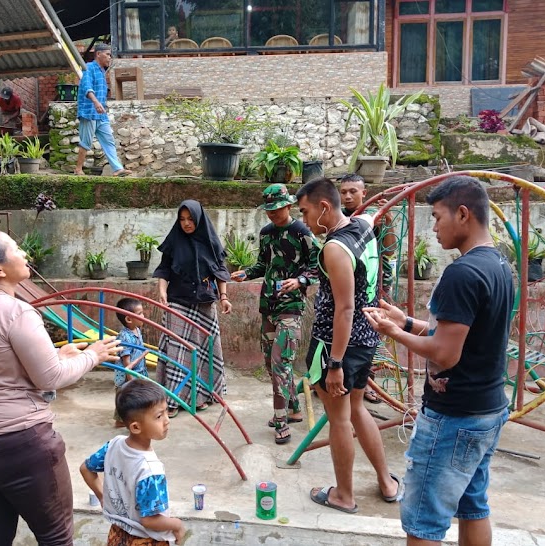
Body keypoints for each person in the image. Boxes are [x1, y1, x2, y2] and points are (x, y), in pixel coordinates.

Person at [363, 175, 514, 545]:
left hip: (454, 417)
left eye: (436, 216)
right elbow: (464, 333)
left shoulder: (460, 273)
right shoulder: (498, 265)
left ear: (463, 214)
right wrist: (408, 321)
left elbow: (446, 354)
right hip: (487, 409)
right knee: (473, 505)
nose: (433, 227)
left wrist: (395, 335)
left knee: (424, 522)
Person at [0, 228, 121, 546]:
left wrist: (58, 354)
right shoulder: (18, 312)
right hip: (16, 444)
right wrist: (92, 356)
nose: (24, 253)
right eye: (15, 249)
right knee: (56, 537)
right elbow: (50, 378)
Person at [295, 178, 400, 514]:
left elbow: (344, 308)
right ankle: (386, 482)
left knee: (339, 418)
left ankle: (344, 494)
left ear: (324, 207)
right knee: (356, 409)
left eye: (306, 212)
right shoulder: (362, 226)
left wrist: (335, 364)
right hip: (366, 338)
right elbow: (375, 218)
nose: (305, 221)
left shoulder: (334, 248)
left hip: (336, 344)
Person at [230, 183, 319, 444]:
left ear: (288, 206)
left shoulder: (302, 232)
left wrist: (300, 281)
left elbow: (318, 264)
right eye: (269, 210)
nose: (273, 214)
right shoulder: (266, 233)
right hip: (268, 305)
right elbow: (262, 264)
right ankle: (293, 408)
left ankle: (281, 421)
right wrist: (246, 272)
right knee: (271, 364)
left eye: (277, 209)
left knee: (281, 362)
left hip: (291, 308)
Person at [80, 380, 186, 545]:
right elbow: (150, 520)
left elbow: (86, 469)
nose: (167, 420)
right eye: (159, 416)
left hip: (117, 533)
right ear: (136, 427)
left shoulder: (114, 445)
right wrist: (177, 525)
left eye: (166, 412)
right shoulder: (150, 470)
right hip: (146, 540)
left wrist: (103, 497)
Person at [153, 200, 232, 418]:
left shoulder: (211, 243)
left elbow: (220, 272)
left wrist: (223, 297)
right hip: (178, 301)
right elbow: (163, 270)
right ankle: (174, 399)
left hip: (205, 304)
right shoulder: (174, 241)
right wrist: (162, 292)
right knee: (178, 352)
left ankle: (202, 396)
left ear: (199, 219)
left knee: (205, 352)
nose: (186, 223)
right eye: (182, 219)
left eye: (190, 219)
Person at [339, 173, 398, 404]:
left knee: (373, 334)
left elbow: (390, 250)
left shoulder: (374, 217)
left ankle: (367, 383)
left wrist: (389, 219)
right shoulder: (340, 217)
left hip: (376, 286)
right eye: (343, 192)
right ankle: (343, 378)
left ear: (364, 193)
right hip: (350, 287)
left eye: (353, 191)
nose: (348, 196)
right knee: (346, 333)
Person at [76, 43, 131, 177]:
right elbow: (86, 87)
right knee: (86, 142)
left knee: (109, 140)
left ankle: (117, 168)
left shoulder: (102, 71)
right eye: (107, 54)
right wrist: (95, 102)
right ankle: (78, 169)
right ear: (98, 54)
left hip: (101, 115)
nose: (109, 57)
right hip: (89, 111)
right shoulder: (88, 68)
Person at [114, 297, 150, 427]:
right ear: (129, 319)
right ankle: (120, 423)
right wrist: (131, 380)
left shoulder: (137, 330)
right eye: (140, 313)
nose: (143, 316)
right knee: (125, 400)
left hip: (139, 371)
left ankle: (135, 419)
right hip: (127, 377)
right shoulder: (125, 337)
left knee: (137, 399)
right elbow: (127, 365)